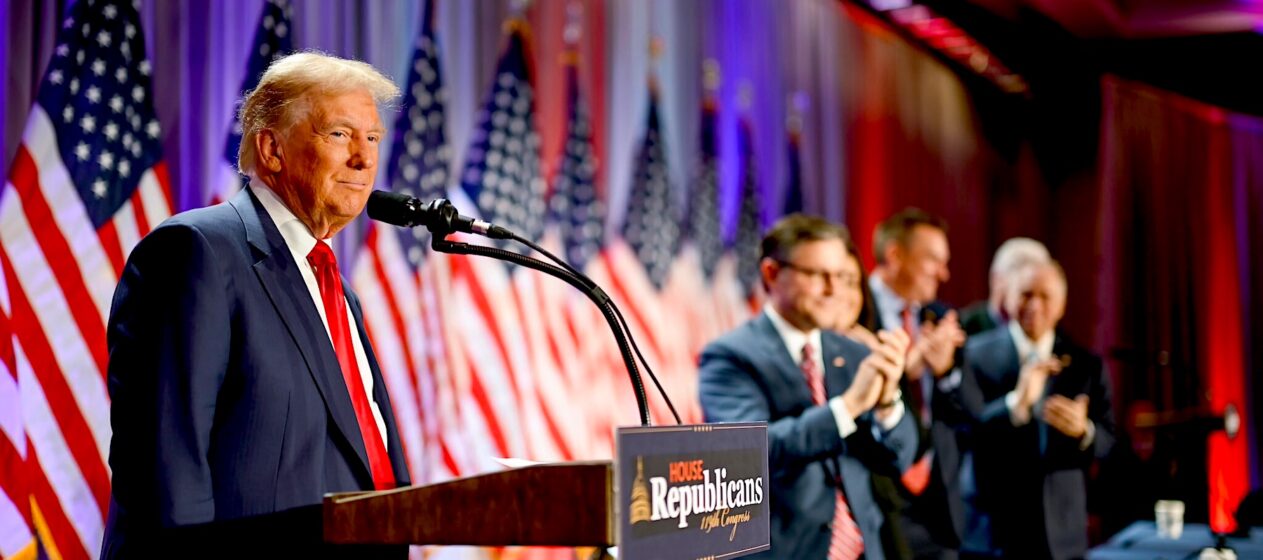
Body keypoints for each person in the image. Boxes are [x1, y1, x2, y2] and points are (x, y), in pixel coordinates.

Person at [101, 52, 408, 558]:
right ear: (271, 148)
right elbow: (166, 469)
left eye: (372, 138)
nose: (364, 158)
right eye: (339, 134)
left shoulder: (335, 288)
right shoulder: (196, 251)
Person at [699, 214, 917, 559]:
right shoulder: (730, 356)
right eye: (818, 276)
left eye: (842, 277)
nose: (834, 290)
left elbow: (897, 460)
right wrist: (849, 407)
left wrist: (888, 403)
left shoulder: (852, 352)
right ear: (772, 274)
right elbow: (747, 451)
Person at [959, 260, 1115, 560]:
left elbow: (1110, 441)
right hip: (993, 533)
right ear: (1008, 297)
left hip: (1061, 535)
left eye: (1046, 296)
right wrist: (1015, 405)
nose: (1035, 305)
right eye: (1026, 294)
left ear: (1062, 304)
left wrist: (1085, 431)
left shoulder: (1086, 365)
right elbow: (964, 434)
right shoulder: (975, 355)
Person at [867, 208, 968, 559]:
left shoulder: (939, 317)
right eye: (933, 261)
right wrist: (900, 374)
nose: (944, 273)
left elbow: (970, 410)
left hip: (938, 500)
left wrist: (945, 374)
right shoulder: (852, 312)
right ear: (895, 255)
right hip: (879, 495)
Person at [958, 238, 1050, 336]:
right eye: (1026, 293)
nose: (1033, 305)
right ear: (996, 279)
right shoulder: (964, 327)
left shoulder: (1055, 339)